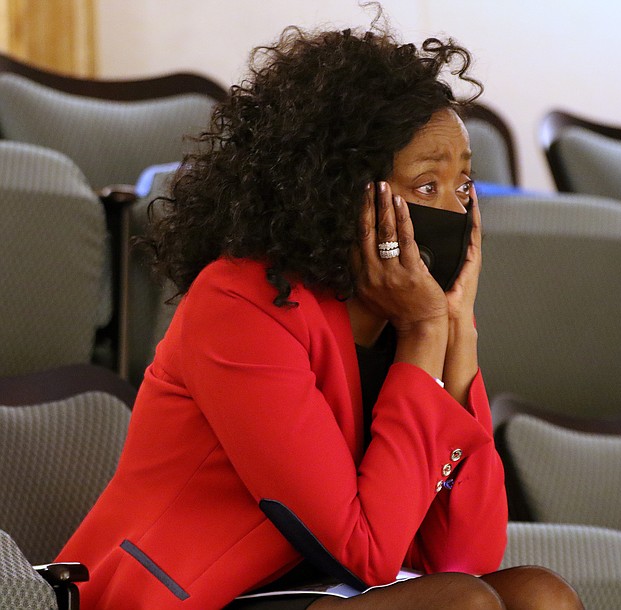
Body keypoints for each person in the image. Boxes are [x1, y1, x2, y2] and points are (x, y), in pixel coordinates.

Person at [56, 18, 583, 610]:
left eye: (464, 185)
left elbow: (466, 555)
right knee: (463, 605)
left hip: (322, 592)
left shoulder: (416, 318)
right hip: (197, 594)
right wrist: (427, 333)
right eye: (426, 185)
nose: (456, 208)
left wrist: (455, 337)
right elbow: (366, 552)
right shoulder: (238, 303)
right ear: (345, 191)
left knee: (542, 595)